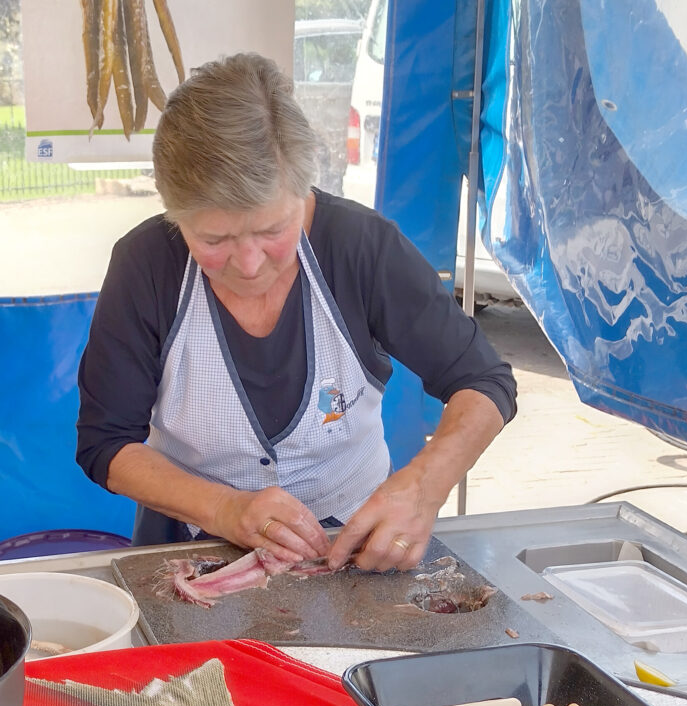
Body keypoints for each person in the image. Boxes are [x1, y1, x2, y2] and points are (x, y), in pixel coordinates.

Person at [76, 52, 517, 573]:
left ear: (301, 191)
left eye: (271, 231)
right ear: (174, 215)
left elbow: (484, 381)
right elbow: (107, 443)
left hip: (352, 549)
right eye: (213, 238)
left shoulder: (362, 249)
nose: (248, 263)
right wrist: (224, 507)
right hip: (188, 552)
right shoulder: (146, 264)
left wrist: (424, 486)